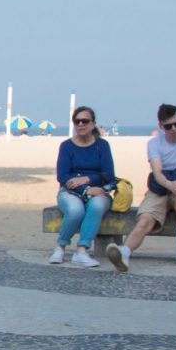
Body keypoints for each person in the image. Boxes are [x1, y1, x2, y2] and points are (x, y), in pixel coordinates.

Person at [106, 103, 176, 271]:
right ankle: (125, 252)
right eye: (169, 126)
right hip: (161, 188)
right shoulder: (154, 144)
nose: (174, 129)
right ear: (160, 126)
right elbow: (157, 172)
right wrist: (169, 185)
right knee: (145, 220)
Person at [50, 106, 116, 267]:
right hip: (70, 191)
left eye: (85, 121)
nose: (81, 124)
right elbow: (63, 176)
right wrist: (85, 189)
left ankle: (81, 250)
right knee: (75, 210)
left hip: (98, 190)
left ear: (93, 124)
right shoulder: (66, 146)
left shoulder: (102, 145)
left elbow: (108, 175)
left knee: (97, 206)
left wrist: (85, 179)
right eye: (77, 121)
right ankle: (61, 246)